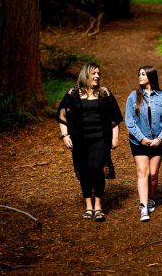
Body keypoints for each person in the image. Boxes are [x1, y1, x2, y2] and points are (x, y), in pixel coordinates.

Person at [57, 63, 123, 222]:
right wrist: (65, 135)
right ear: (85, 75)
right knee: (84, 171)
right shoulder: (73, 93)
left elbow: (114, 117)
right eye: (93, 73)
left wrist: (115, 137)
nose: (97, 76)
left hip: (100, 139)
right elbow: (62, 115)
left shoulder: (104, 93)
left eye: (98, 74)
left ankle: (98, 205)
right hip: (79, 140)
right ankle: (88, 205)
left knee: (96, 168)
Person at [125, 66, 162, 222]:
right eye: (139, 74)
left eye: (143, 74)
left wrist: (159, 139)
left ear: (151, 76)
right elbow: (130, 121)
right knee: (142, 172)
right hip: (139, 142)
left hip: (158, 142)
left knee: (153, 174)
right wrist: (142, 139)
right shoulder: (133, 97)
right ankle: (143, 207)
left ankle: (151, 198)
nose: (140, 76)